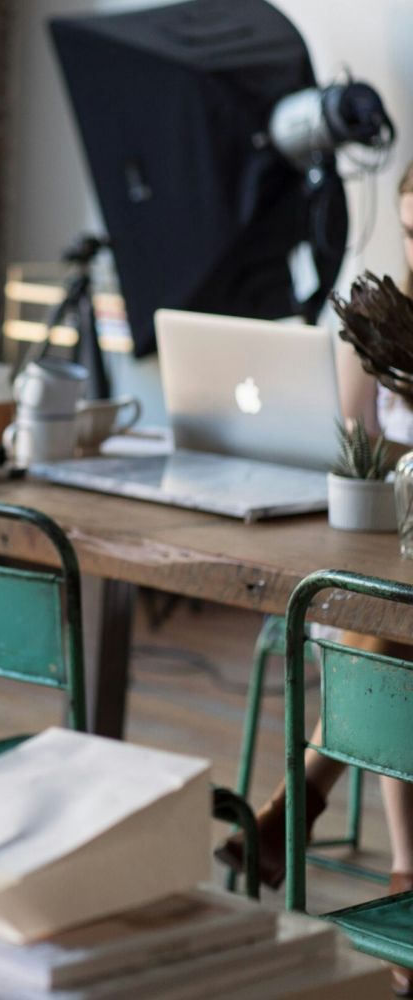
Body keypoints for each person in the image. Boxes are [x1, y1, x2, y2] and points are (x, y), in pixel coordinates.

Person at [216, 158, 413, 997]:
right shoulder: (387, 320)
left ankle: (302, 805)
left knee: (388, 627)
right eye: (411, 233)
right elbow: (362, 456)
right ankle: (405, 872)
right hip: (396, 552)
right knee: (387, 621)